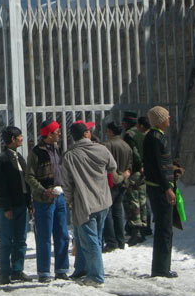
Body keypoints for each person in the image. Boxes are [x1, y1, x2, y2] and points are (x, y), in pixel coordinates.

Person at [61, 120, 117, 288]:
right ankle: (83, 269)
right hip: (103, 200)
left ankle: (96, 276)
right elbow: (112, 166)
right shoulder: (101, 149)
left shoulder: (70, 156)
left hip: (84, 203)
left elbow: (67, 183)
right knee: (95, 238)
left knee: (89, 240)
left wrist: (68, 200)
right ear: (86, 134)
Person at [25, 120, 70, 282]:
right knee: (44, 236)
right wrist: (44, 190)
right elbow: (29, 176)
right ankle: (44, 272)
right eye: (56, 131)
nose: (59, 134)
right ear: (48, 134)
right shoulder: (36, 153)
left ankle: (62, 269)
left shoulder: (57, 149)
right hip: (44, 199)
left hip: (59, 197)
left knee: (62, 234)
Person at [0, 126, 33, 285]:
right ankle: (4, 272)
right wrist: (6, 207)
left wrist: (29, 202)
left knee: (21, 239)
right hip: (9, 206)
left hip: (21, 203)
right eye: (19, 136)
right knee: (7, 239)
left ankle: (17, 269)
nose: (22, 139)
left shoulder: (20, 157)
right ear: (13, 139)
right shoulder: (1, 160)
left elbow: (25, 182)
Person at [143, 106, 178, 278]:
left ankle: (162, 266)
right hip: (159, 189)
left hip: (160, 187)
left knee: (165, 228)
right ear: (160, 120)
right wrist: (167, 188)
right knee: (164, 228)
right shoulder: (155, 138)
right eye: (166, 116)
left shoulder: (155, 136)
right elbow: (157, 166)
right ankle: (161, 269)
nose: (169, 118)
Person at [103, 122, 132, 252]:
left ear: (110, 131)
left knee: (108, 211)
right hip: (123, 182)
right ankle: (121, 240)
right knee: (118, 211)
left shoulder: (107, 146)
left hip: (110, 182)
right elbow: (130, 165)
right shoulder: (126, 146)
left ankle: (111, 241)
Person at [125, 116, 151, 245]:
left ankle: (136, 231)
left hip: (135, 171)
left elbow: (134, 153)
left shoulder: (130, 135)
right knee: (143, 200)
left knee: (133, 201)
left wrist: (139, 165)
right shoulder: (147, 134)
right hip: (145, 172)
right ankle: (145, 228)